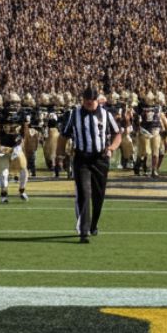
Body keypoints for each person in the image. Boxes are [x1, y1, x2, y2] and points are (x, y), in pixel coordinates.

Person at [59, 87, 121, 244]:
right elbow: (64, 135)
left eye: (91, 101)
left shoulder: (106, 114)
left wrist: (111, 148)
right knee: (84, 193)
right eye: (86, 100)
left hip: (100, 159)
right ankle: (83, 231)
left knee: (98, 196)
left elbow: (117, 134)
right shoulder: (75, 114)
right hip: (82, 158)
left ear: (96, 100)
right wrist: (60, 155)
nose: (88, 103)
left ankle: (93, 225)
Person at [0, 93, 28, 203]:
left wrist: (22, 141)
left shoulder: (22, 114)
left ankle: (22, 191)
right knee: (4, 173)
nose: (14, 105)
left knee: (23, 169)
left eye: (16, 103)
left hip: (16, 147)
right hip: (4, 147)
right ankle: (4, 194)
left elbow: (24, 130)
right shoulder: (0, 114)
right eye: (12, 103)